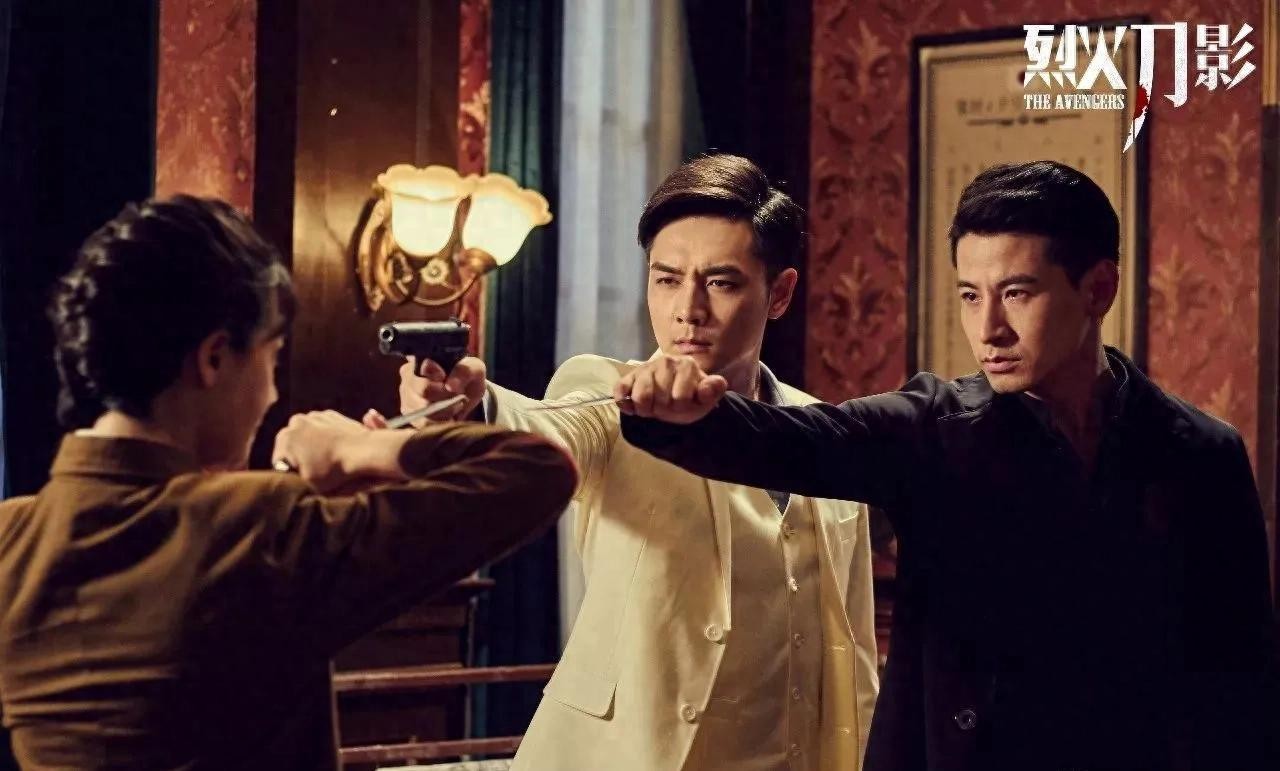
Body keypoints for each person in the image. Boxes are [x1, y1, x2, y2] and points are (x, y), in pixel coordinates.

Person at [615, 161, 1280, 771]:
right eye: (969, 295)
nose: (988, 328)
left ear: (1097, 289)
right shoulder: (937, 429)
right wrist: (674, 411)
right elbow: (799, 439)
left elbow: (1242, 678)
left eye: (1016, 293)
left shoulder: (1199, 454)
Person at [0, 195, 577, 770]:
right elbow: (537, 471)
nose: (273, 392)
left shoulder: (10, 537)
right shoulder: (261, 526)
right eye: (272, 357)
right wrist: (359, 447)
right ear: (215, 358)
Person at [380, 155, 879, 771]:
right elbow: (544, 430)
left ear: (779, 294)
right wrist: (469, 409)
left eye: (721, 283)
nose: (688, 309)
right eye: (666, 279)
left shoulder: (821, 429)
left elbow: (851, 645)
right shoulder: (610, 393)